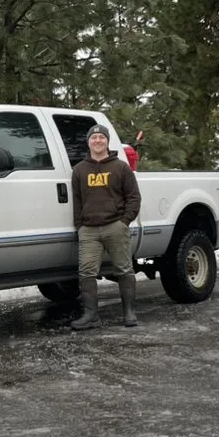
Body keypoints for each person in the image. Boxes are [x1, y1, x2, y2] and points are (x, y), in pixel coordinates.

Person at [70, 124, 142, 330]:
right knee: (86, 272)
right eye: (94, 138)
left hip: (115, 226)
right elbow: (76, 201)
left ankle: (129, 312)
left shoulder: (121, 167)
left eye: (102, 137)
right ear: (88, 142)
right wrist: (80, 226)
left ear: (107, 141)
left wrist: (124, 222)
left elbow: (134, 198)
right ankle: (91, 316)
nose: (98, 141)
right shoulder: (79, 170)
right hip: (89, 230)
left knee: (124, 269)